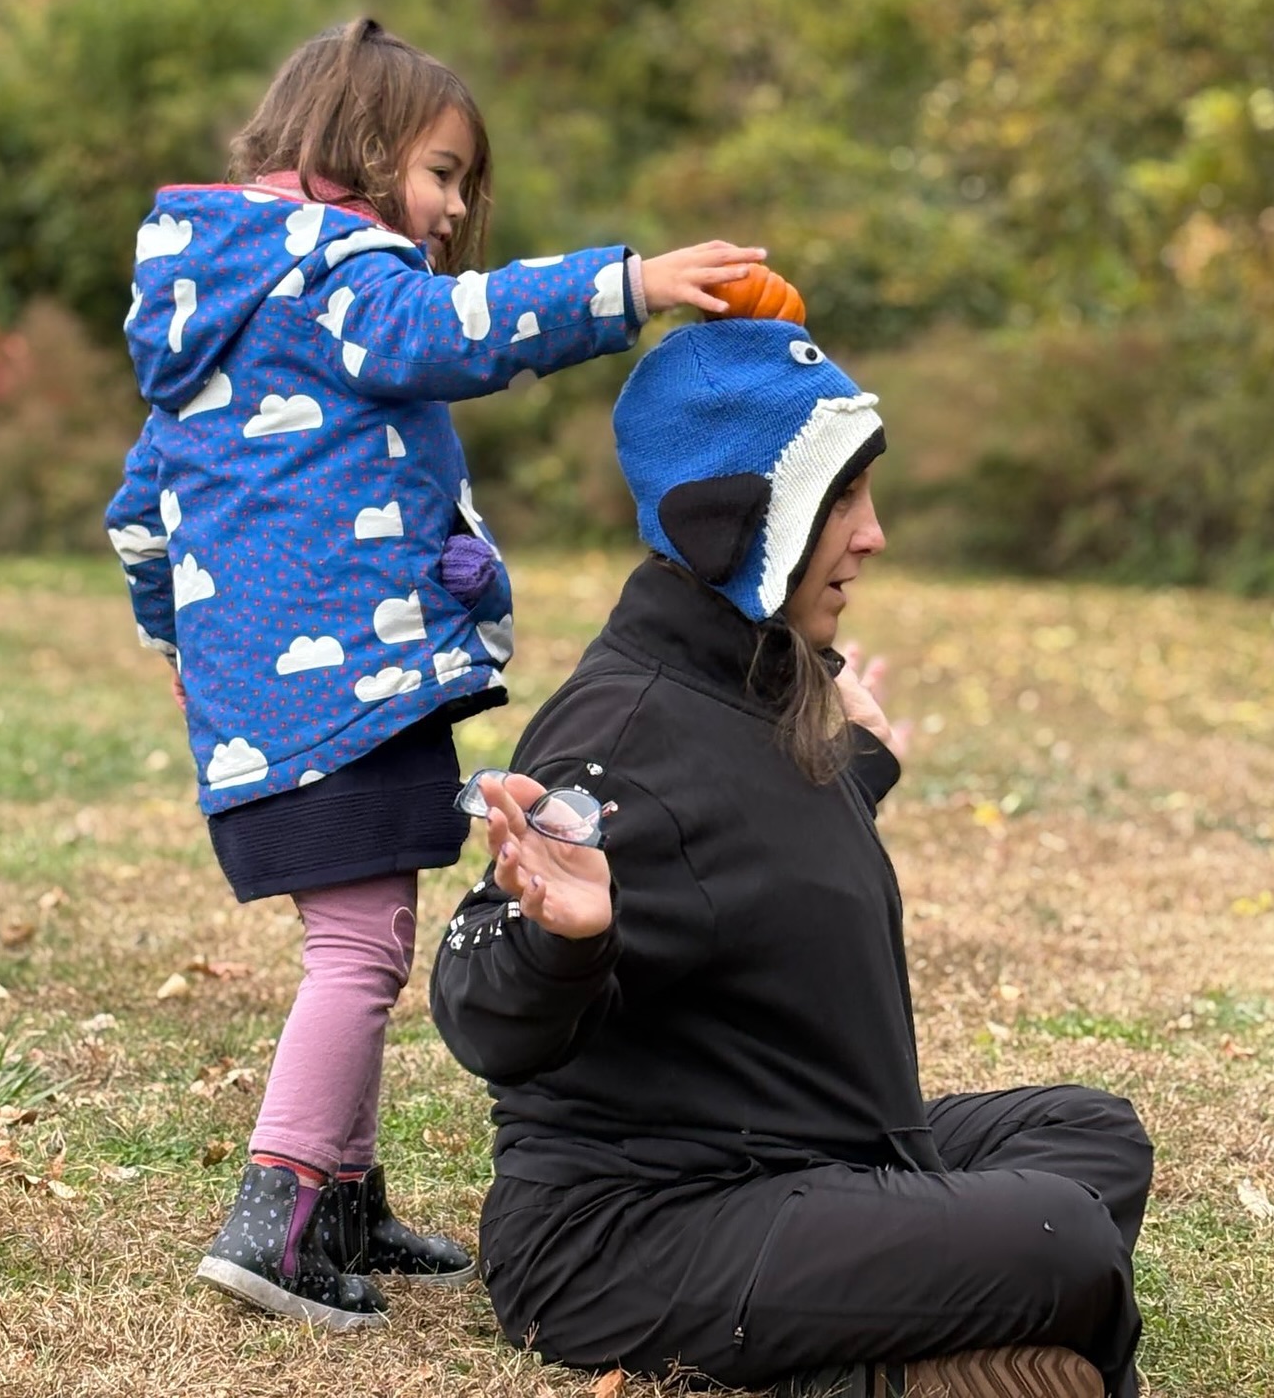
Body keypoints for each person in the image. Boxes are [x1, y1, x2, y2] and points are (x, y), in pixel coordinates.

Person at [103, 16, 764, 1330]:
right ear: (355, 147)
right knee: (355, 951)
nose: (456, 209)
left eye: (467, 184)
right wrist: (624, 287)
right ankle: (278, 1212)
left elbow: (140, 516)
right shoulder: (333, 277)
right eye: (443, 172)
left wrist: (191, 654)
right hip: (335, 695)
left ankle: (343, 1196)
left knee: (372, 934)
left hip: (302, 696)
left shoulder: (221, 312)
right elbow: (459, 330)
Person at [429, 317, 1154, 1398]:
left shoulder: (758, 681)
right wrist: (561, 942)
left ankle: (902, 1330)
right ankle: (873, 1376)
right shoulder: (624, 737)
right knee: (1062, 1237)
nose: (874, 535)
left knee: (1091, 1139)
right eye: (844, 497)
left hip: (805, 1157)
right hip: (625, 1237)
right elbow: (475, 996)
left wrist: (858, 770)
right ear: (739, 524)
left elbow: (753, 866)